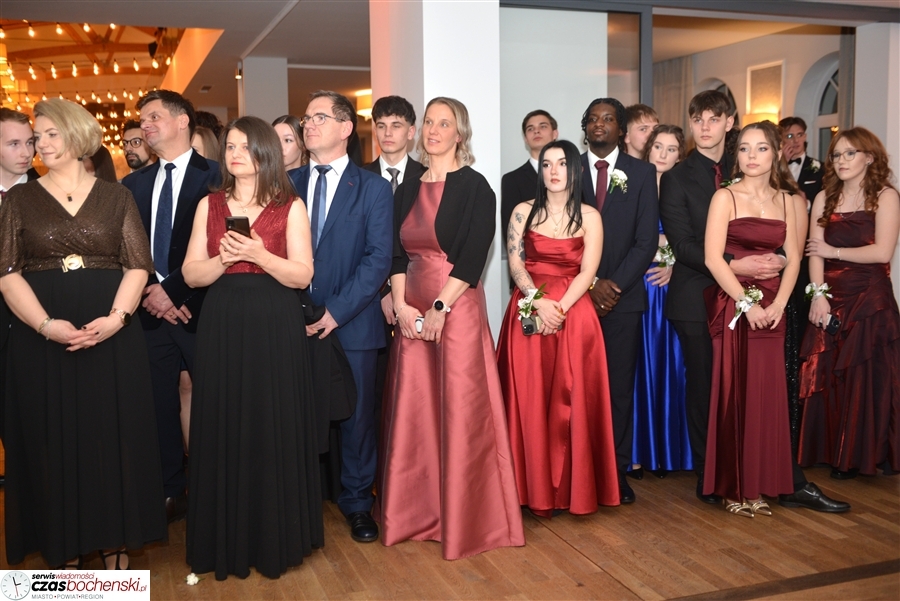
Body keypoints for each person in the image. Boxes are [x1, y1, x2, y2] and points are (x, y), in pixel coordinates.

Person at [660, 90, 849, 513]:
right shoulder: (678, 177)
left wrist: (777, 277)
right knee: (709, 391)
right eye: (698, 119)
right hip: (699, 299)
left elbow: (790, 248)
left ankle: (778, 476)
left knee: (769, 389)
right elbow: (685, 244)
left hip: (769, 300)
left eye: (714, 118)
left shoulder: (750, 166)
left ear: (730, 123)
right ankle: (715, 478)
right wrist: (739, 266)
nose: (705, 126)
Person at [0, 98, 166, 569]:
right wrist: (46, 325)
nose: (41, 144)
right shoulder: (19, 201)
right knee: (50, 441)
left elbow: (138, 264)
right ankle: (64, 547)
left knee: (112, 439)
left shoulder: (118, 197)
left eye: (51, 134)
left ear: (77, 135)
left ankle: (115, 543)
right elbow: (7, 273)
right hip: (41, 335)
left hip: (111, 333)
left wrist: (117, 318)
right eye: (38, 136)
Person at [376, 97, 525, 559]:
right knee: (415, 411)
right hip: (411, 307)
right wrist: (402, 305)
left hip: (456, 305)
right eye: (429, 122)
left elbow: (474, 255)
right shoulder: (406, 187)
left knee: (461, 411)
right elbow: (395, 254)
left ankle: (469, 519)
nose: (434, 130)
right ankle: (416, 515)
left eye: (444, 123)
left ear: (459, 133)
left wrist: (440, 306)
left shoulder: (476, 187)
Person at [182, 116, 320, 580]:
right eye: (230, 147)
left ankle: (276, 536)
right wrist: (224, 259)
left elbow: (302, 275)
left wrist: (259, 254)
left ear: (265, 152)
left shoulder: (290, 206)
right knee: (224, 419)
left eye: (244, 146)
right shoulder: (209, 204)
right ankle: (224, 536)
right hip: (222, 321)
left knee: (271, 420)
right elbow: (191, 274)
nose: (235, 154)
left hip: (275, 322)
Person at [291, 90, 393, 543]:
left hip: (353, 323)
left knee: (356, 420)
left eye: (319, 117)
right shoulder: (285, 183)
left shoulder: (373, 187)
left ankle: (356, 504)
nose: (308, 125)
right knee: (294, 414)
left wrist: (335, 312)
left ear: (346, 127)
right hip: (292, 321)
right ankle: (296, 504)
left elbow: (378, 259)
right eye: (306, 118)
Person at [497, 139, 618, 517]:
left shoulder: (590, 216)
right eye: (547, 164)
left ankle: (572, 490)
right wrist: (537, 301)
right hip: (529, 309)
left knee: (574, 399)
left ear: (575, 170)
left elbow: (588, 271)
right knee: (529, 397)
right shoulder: (522, 211)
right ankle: (527, 488)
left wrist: (559, 309)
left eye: (562, 163)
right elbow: (516, 264)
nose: (553, 171)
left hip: (574, 315)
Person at [121, 90, 220, 524]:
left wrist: (175, 292)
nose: (145, 125)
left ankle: (215, 486)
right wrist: (152, 292)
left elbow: (224, 246)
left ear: (183, 121)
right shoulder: (133, 185)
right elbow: (126, 251)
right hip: (149, 314)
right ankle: (168, 491)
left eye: (154, 116)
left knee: (214, 402)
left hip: (203, 310)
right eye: (142, 119)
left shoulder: (218, 176)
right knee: (157, 406)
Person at [703, 121, 800, 517]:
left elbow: (794, 258)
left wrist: (780, 305)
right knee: (735, 393)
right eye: (744, 148)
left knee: (767, 394)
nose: (752, 156)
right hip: (735, 306)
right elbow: (713, 259)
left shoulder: (788, 200)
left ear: (775, 153)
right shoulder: (725, 196)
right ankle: (734, 487)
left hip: (774, 309)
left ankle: (759, 484)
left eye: (761, 148)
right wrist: (748, 304)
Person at [799, 126, 900, 479]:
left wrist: (834, 251)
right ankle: (828, 451)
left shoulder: (885, 196)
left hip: (870, 299)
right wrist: (818, 295)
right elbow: (814, 252)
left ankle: (861, 455)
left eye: (850, 153)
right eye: (837, 155)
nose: (841, 160)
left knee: (866, 378)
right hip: (830, 297)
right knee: (827, 374)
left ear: (869, 157)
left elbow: (882, 252)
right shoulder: (825, 197)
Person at [580, 97, 659, 504]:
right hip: (575, 299)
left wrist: (612, 287)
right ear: (585, 127)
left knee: (617, 390)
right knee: (576, 387)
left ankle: (616, 472)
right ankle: (578, 471)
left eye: (608, 118)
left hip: (622, 301)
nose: (600, 124)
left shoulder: (642, 173)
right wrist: (590, 284)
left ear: (621, 129)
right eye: (593, 119)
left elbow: (646, 242)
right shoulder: (568, 169)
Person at [361, 95, 425, 450]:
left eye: (396, 125)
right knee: (372, 390)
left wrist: (398, 295)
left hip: (417, 297)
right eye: (381, 125)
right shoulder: (358, 178)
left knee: (413, 390)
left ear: (411, 132)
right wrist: (383, 292)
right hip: (368, 301)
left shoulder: (428, 177)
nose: (387, 133)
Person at [631, 125, 691, 479]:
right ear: (648, 149)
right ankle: (639, 451)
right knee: (640, 364)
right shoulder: (633, 185)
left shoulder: (682, 188)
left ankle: (670, 450)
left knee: (673, 365)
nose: (663, 154)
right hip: (638, 283)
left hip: (672, 285)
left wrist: (673, 264)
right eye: (658, 146)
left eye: (671, 149)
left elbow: (696, 238)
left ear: (680, 155)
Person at [0, 108, 39, 488]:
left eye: (30, 142)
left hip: (34, 320)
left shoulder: (46, 192)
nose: (26, 152)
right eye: (14, 143)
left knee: (33, 417)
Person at [501, 110, 559, 232]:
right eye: (530, 129)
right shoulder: (512, 180)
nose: (536, 131)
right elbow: (510, 228)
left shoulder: (571, 173)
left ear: (555, 134)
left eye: (543, 126)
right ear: (526, 139)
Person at [779, 116, 823, 202]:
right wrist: (783, 163)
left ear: (805, 137)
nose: (796, 140)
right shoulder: (774, 168)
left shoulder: (820, 167)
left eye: (800, 135)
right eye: (790, 136)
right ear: (781, 139)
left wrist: (807, 204)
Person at [272, 114, 308, 191]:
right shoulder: (262, 182)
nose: (279, 147)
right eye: (275, 140)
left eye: (288, 140)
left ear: (303, 145)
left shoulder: (311, 181)